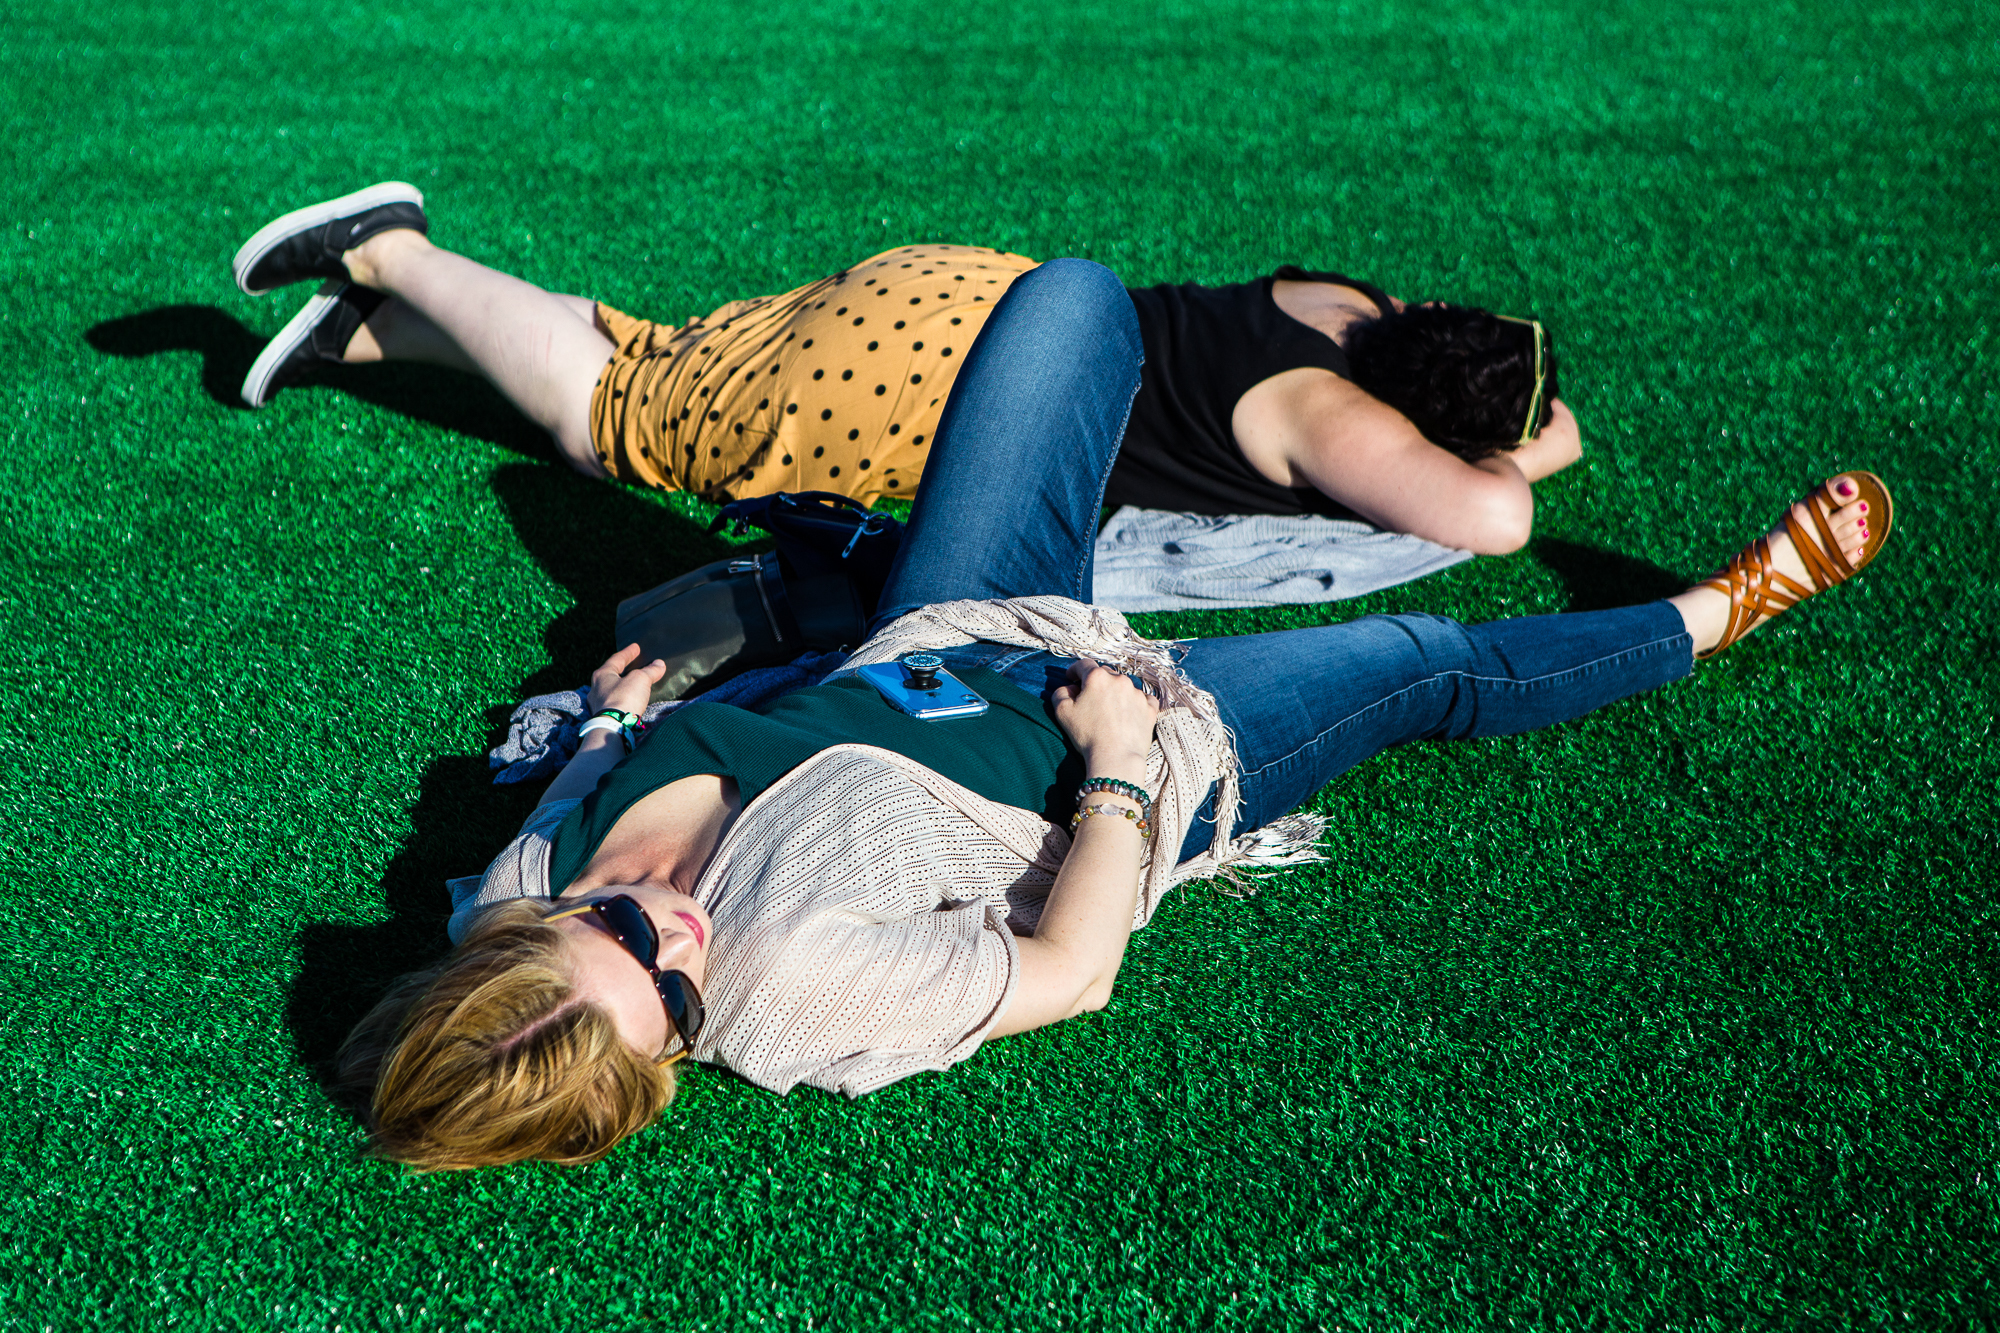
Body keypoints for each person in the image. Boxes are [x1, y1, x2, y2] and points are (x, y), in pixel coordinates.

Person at [234, 189, 1890, 1170]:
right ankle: (1715, 609)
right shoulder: (786, 985)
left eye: (621, 928)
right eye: (668, 1003)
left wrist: (609, 723)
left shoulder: (515, 886)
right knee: (1422, 660)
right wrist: (1114, 767)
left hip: (949, 631)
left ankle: (816, 558)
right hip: (1142, 736)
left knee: (1072, 309)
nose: (677, 938)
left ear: (524, 929)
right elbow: (1070, 969)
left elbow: (558, 847)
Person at [236, 184, 1579, 554]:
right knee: (624, 423)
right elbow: (1502, 512)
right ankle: (395, 248)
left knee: (674, 358)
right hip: (941, 392)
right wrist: (1504, 443)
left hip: (964, 294)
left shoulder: (1351, 310)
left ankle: (375, 328)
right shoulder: (1336, 419)